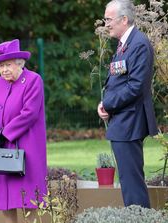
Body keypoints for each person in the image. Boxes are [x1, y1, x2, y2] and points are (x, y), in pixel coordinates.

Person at [97, 0, 158, 208]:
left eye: (108, 19)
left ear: (124, 19)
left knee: (132, 184)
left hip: (130, 122)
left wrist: (107, 103)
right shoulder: (125, 44)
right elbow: (119, 81)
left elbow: (136, 87)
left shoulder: (139, 44)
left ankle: (139, 219)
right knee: (128, 181)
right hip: (123, 121)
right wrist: (106, 105)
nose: (106, 24)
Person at [0, 39, 47, 223]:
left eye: (7, 65)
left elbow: (29, 113)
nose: (4, 70)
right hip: (3, 148)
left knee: (29, 199)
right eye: (0, 66)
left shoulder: (33, 80)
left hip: (26, 146)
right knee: (6, 201)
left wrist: (6, 133)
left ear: (19, 63)